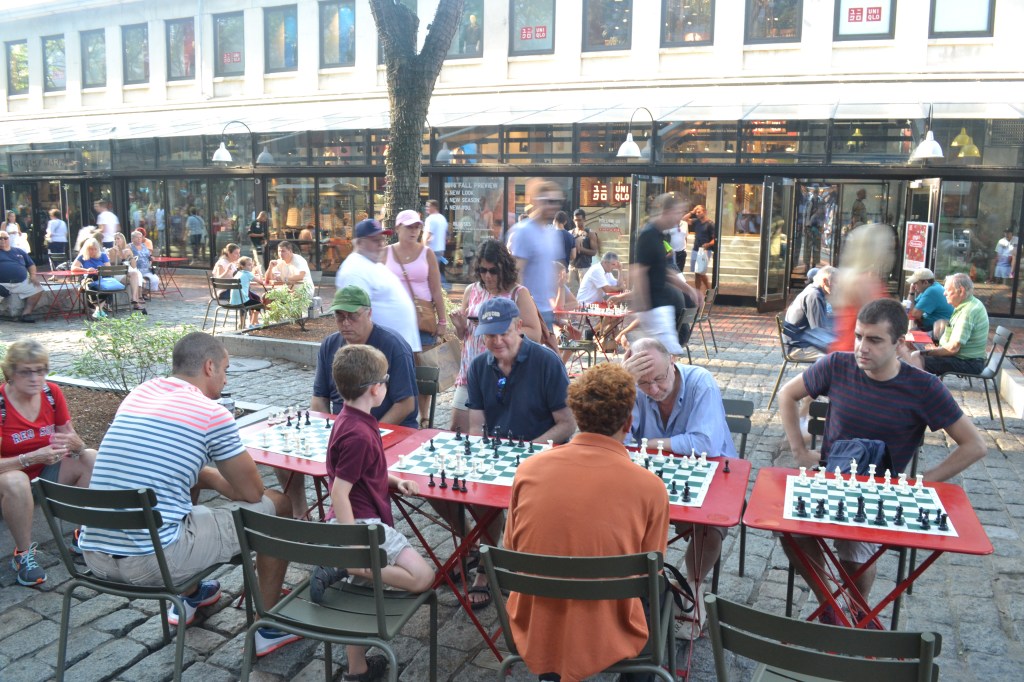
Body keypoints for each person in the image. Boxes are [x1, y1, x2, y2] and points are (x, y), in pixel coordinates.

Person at [79, 333, 300, 656]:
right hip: (155, 562)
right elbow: (253, 493)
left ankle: (191, 594)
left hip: (95, 555)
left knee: (192, 492)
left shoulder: (140, 394)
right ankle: (267, 626)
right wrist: (213, 477)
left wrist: (205, 476)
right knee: (279, 505)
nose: (226, 379)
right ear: (209, 367)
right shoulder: (211, 413)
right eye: (225, 369)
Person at [778, 298, 986, 624]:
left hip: (880, 492)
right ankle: (830, 604)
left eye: (874, 340)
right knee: (789, 531)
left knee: (853, 552)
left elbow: (975, 445)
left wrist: (920, 482)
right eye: (858, 336)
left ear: (899, 343)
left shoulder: (923, 387)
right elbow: (787, 395)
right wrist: (799, 451)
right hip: (830, 479)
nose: (862, 347)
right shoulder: (837, 364)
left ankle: (856, 608)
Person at [503, 362, 669, 682]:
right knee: (661, 593)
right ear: (629, 422)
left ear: (578, 417)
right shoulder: (651, 488)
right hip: (610, 631)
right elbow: (651, 572)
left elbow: (512, 549)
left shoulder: (528, 470)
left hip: (537, 623)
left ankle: (551, 670)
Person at [307, 344, 434, 682]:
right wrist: (354, 549)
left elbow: (360, 473)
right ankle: (349, 566)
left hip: (353, 519)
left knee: (360, 591)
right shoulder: (360, 433)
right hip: (362, 524)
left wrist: (395, 481)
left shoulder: (350, 420)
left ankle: (358, 671)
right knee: (423, 578)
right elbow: (339, 491)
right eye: (386, 379)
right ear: (376, 389)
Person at [621, 337, 736, 640]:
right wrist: (622, 385)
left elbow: (706, 444)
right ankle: (636, 589)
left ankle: (692, 588)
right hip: (650, 478)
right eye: (644, 383)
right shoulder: (632, 386)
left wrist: (648, 444)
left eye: (659, 378)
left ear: (672, 361)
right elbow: (614, 439)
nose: (653, 389)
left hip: (711, 474)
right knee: (616, 513)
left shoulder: (701, 382)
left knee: (710, 527)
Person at [291, 286, 419, 519]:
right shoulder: (330, 345)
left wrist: (371, 433)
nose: (345, 323)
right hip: (346, 431)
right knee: (287, 454)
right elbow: (319, 397)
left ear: (369, 313)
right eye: (339, 316)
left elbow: (406, 404)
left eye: (352, 316)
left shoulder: (393, 345)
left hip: (390, 432)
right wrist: (330, 431)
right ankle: (300, 515)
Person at [1, 340, 96, 586]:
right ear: (11, 372)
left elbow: (70, 438)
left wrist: (76, 445)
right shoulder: (1, 404)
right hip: (9, 480)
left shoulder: (51, 393)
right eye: (26, 372)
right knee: (16, 480)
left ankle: (83, 534)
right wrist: (30, 458)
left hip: (43, 473)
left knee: (90, 457)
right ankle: (23, 555)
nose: (35, 378)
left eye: (41, 370)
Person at [449, 238, 542, 433]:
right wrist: (460, 326)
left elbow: (535, 333)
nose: (488, 276)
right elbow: (464, 335)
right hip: (470, 370)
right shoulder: (472, 290)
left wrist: (499, 327)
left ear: (504, 268)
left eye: (493, 271)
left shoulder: (518, 293)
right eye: (483, 270)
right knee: (458, 430)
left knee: (499, 431)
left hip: (503, 372)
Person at [385, 209, 446, 426]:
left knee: (423, 369)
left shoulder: (426, 253)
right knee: (394, 367)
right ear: (397, 228)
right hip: (394, 322)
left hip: (422, 320)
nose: (414, 231)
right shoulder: (386, 253)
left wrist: (442, 321)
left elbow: (436, 289)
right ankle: (396, 411)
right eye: (409, 226)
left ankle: (424, 416)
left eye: (417, 226)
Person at [335, 218, 422, 352]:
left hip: (394, 348)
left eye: (383, 239)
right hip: (380, 352)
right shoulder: (354, 271)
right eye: (375, 240)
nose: (381, 244)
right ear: (360, 243)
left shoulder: (370, 264)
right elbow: (355, 319)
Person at [632, 193, 700, 345]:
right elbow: (639, 272)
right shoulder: (649, 235)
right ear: (667, 211)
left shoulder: (658, 235)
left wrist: (689, 290)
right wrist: (645, 309)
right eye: (678, 212)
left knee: (664, 353)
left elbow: (664, 271)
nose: (680, 217)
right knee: (662, 352)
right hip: (655, 309)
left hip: (662, 308)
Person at [902, 272, 990, 376]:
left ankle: (919, 385)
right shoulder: (968, 304)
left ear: (961, 291)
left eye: (948, 290)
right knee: (915, 346)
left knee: (917, 359)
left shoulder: (967, 312)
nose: (944, 294)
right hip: (966, 357)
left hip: (968, 362)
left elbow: (952, 349)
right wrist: (945, 325)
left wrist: (926, 353)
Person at [510, 179, 564, 330]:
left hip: (546, 309)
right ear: (536, 201)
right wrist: (522, 310)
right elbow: (516, 272)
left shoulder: (551, 234)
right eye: (549, 201)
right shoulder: (524, 231)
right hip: (528, 311)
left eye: (557, 202)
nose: (553, 206)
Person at [783, 265, 835, 360]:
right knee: (837, 357)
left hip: (802, 342)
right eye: (836, 282)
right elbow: (819, 331)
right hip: (798, 348)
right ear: (825, 281)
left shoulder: (814, 291)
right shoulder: (814, 296)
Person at [0, 230, 44, 322]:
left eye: (5, 238)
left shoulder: (19, 251)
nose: (3, 240)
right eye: (0, 238)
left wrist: (33, 276)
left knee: (37, 288)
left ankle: (26, 314)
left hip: (21, 282)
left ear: (9, 239)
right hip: (2, 284)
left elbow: (31, 265)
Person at [906, 268, 953, 341]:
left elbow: (915, 314)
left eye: (915, 283)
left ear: (925, 282)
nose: (913, 286)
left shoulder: (932, 291)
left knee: (909, 338)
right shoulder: (929, 288)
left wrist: (913, 311)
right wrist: (911, 292)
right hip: (931, 327)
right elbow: (910, 308)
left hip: (938, 331)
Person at [72, 237, 113, 319]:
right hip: (88, 279)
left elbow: (108, 269)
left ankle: (98, 310)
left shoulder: (103, 255)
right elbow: (73, 268)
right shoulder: (82, 256)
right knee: (90, 284)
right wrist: (86, 270)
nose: (93, 251)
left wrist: (100, 270)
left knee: (106, 285)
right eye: (91, 249)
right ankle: (99, 310)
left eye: (95, 249)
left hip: (102, 279)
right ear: (87, 249)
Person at [107, 232, 147, 312]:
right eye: (115, 239)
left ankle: (134, 299)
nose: (116, 240)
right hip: (116, 275)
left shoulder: (128, 249)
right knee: (136, 275)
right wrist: (116, 254)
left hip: (127, 274)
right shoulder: (111, 251)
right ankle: (137, 302)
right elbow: (112, 265)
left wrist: (131, 257)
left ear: (123, 240)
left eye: (118, 238)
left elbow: (134, 266)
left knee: (135, 274)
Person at [684, 205, 715, 295]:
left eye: (699, 212)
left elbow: (715, 239)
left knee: (701, 272)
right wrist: (692, 212)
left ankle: (709, 290)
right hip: (695, 249)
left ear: (704, 212)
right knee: (696, 273)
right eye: (696, 212)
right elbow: (684, 219)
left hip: (705, 251)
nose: (697, 214)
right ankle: (698, 293)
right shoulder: (696, 221)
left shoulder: (710, 224)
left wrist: (708, 244)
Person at [569, 208, 601, 292]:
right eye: (575, 220)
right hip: (572, 266)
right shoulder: (571, 233)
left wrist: (581, 249)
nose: (577, 222)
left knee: (584, 292)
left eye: (579, 220)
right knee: (572, 292)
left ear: (584, 219)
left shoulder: (590, 233)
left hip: (584, 267)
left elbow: (594, 252)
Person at [423, 200, 450, 290]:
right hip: (440, 249)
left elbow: (427, 235)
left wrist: (423, 248)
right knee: (434, 270)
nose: (426, 208)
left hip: (431, 249)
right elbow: (446, 236)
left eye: (428, 206)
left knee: (431, 270)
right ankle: (441, 287)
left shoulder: (430, 219)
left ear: (434, 207)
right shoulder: (442, 218)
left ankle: (444, 286)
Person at [231, 256, 264, 327]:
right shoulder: (248, 274)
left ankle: (244, 323)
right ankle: (253, 323)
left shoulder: (238, 273)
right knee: (259, 304)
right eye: (249, 265)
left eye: (252, 264)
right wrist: (259, 272)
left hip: (234, 301)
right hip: (243, 301)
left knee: (253, 299)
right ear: (242, 266)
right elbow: (261, 282)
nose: (251, 266)